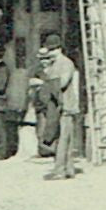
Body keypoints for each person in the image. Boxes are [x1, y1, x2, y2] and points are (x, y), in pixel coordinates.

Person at [41, 40, 83, 180]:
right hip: (58, 105)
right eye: (49, 50)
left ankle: (59, 170)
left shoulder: (65, 63)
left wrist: (44, 82)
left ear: (59, 49)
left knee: (63, 139)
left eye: (52, 50)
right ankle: (68, 169)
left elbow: (62, 83)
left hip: (65, 105)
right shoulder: (55, 63)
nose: (50, 53)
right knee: (66, 138)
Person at [4, 54, 31, 159]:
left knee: (13, 128)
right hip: (16, 103)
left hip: (14, 103)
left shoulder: (17, 74)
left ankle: (12, 149)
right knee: (14, 128)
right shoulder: (22, 74)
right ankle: (13, 149)